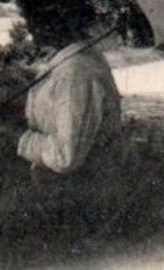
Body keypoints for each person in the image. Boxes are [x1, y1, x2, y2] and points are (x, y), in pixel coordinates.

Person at [14, 27, 123, 174]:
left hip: (77, 186)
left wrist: (7, 127)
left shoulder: (74, 71)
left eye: (35, 21)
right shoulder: (69, 61)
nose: (32, 32)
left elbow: (64, 157)